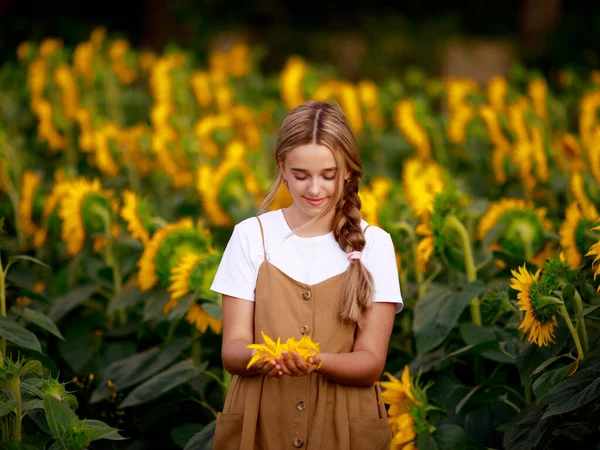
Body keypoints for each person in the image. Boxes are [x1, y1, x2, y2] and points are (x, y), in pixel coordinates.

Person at [210, 101, 403, 450]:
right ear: (282, 168)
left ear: (348, 171)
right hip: (263, 422)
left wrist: (314, 361)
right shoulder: (251, 236)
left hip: (343, 426)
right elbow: (233, 350)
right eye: (301, 176)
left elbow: (371, 363)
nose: (315, 189)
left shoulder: (375, 244)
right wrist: (265, 358)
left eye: (328, 175)